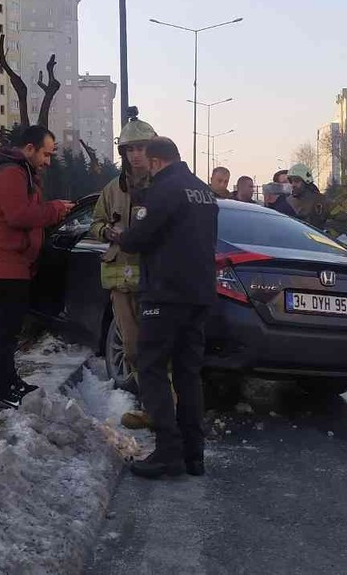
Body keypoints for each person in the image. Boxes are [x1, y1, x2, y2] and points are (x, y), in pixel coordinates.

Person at [117, 137, 218, 479]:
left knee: (153, 369)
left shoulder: (164, 189)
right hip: (199, 295)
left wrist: (120, 235)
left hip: (164, 294)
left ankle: (167, 452)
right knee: (189, 374)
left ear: (157, 161)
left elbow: (137, 238)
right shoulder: (203, 191)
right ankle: (194, 454)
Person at [0, 125, 74, 408]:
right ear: (29, 148)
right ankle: (3, 389)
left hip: (12, 263)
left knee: (10, 329)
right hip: (2, 264)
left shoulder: (22, 173)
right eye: (46, 154)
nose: (48, 161)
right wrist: (55, 208)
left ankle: (11, 380)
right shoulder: (10, 173)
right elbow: (19, 216)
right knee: (4, 330)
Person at [90, 112, 158, 429]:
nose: (135, 155)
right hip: (121, 278)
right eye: (129, 149)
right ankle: (146, 401)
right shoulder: (112, 190)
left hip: (156, 280)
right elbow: (96, 224)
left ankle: (160, 408)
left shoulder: (165, 185)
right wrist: (109, 233)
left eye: (141, 148)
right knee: (131, 346)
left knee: (156, 347)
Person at [286, 163, 328, 230]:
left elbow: (342, 219)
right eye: (291, 181)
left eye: (296, 180)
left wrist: (327, 234)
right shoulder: (288, 201)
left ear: (306, 181)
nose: (293, 184)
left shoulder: (321, 200)